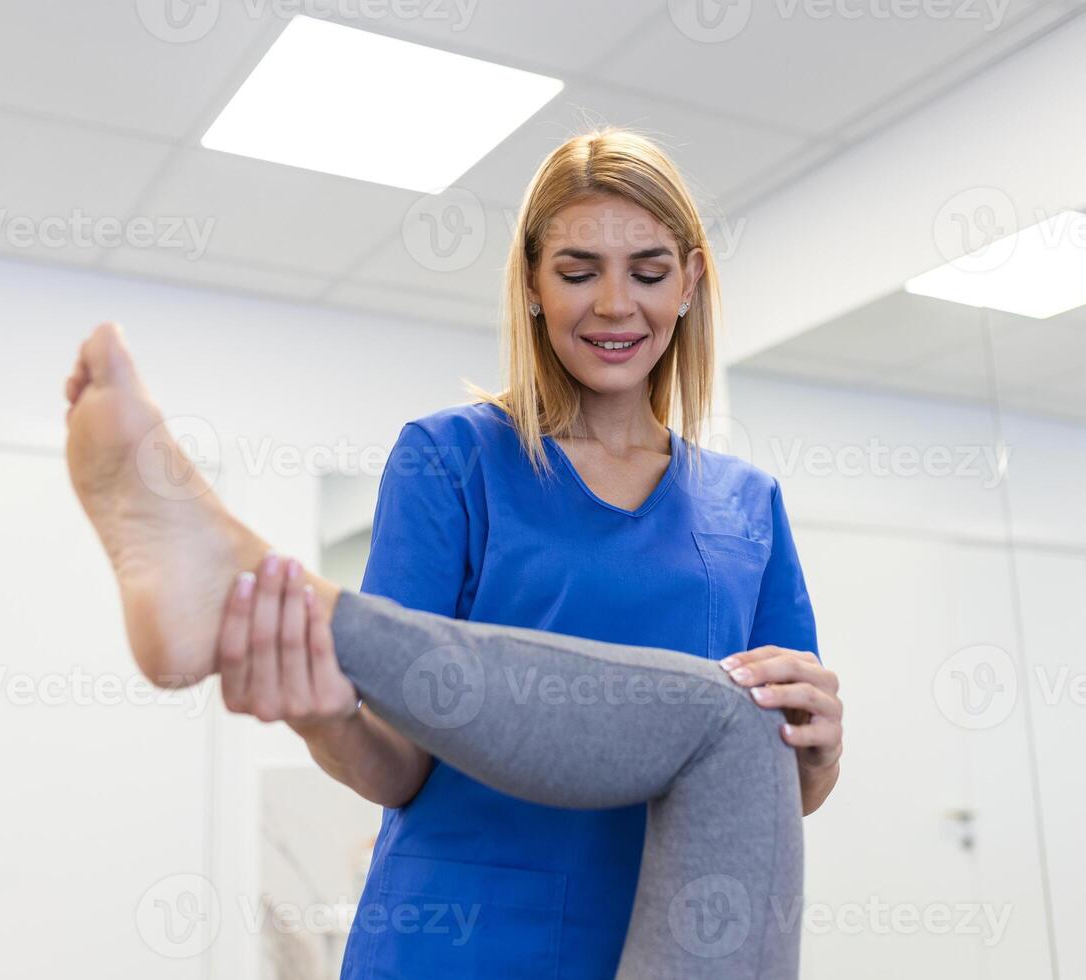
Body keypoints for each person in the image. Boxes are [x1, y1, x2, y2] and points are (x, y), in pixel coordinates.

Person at [63, 126, 843, 977]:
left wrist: (822, 751)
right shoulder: (452, 460)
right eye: (579, 272)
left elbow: (769, 793)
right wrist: (319, 711)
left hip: (660, 934)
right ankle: (247, 586)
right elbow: (400, 766)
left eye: (648, 273)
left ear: (690, 282)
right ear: (534, 286)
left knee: (731, 722)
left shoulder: (748, 505)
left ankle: (232, 575)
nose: (616, 305)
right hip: (462, 938)